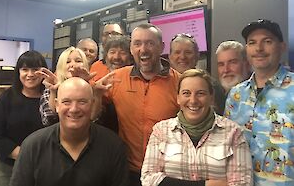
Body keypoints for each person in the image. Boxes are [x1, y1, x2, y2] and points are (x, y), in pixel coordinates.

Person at [98, 23, 180, 186]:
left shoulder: (179, 82)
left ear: (161, 47)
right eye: (137, 43)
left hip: (166, 173)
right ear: (131, 48)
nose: (143, 49)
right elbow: (89, 104)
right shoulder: (117, 78)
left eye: (150, 43)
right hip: (128, 172)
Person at [141, 69, 252, 186]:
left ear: (211, 97)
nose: (193, 100)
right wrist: (206, 184)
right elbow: (148, 179)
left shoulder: (233, 133)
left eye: (200, 93)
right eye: (186, 93)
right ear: (178, 98)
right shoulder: (161, 131)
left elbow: (242, 183)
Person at [10, 77, 129, 186]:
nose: (74, 109)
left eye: (82, 102)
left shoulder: (113, 146)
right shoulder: (33, 146)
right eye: (66, 102)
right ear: (56, 105)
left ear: (92, 104)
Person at [224, 19, 294, 185]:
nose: (259, 49)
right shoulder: (236, 95)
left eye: (267, 41)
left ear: (282, 47)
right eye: (252, 43)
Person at [0, 50, 48, 186]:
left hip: (43, 168)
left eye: (35, 69)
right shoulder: (6, 98)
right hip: (8, 168)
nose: (30, 74)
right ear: (18, 72)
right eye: (25, 69)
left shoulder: (50, 99)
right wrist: (23, 155)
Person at [38, 46, 93, 126]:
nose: (73, 65)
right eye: (67, 62)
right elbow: (49, 121)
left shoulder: (92, 89)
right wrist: (53, 92)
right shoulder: (50, 89)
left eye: (78, 61)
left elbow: (94, 119)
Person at [89, 35, 132, 132]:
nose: (117, 57)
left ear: (130, 56)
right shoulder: (96, 69)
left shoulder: (135, 77)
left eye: (122, 53)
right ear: (106, 55)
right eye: (112, 52)